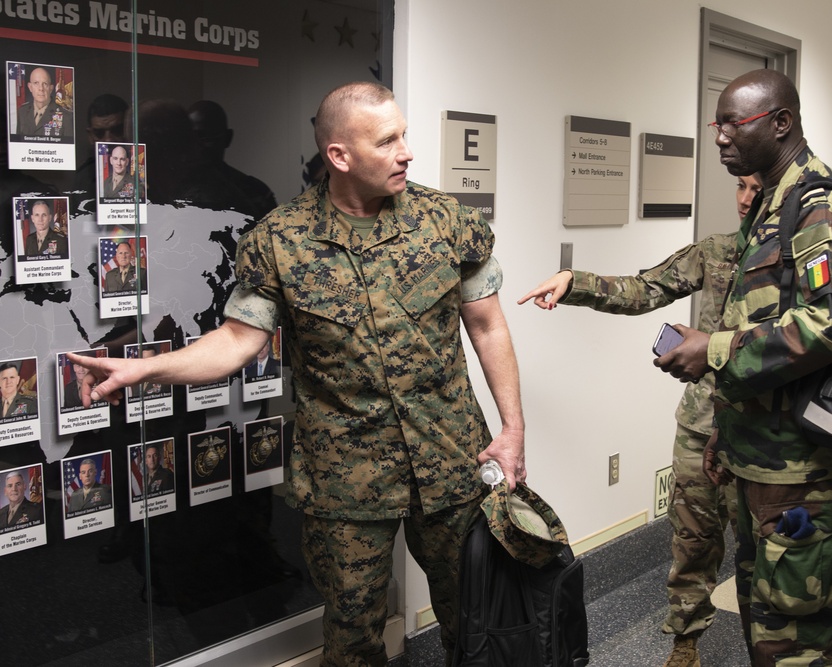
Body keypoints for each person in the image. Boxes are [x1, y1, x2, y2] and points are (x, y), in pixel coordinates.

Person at [69, 80, 526, 666]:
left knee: (476, 615)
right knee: (354, 633)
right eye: (388, 141)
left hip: (452, 458)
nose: (407, 151)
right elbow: (235, 341)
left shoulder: (449, 224)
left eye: (404, 135)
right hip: (345, 479)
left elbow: (488, 328)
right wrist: (143, 370)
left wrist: (511, 431)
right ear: (340, 155)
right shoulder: (279, 242)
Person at [649, 69, 832, 666]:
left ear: (780, 123)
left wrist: (711, 350)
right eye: (715, 124)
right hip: (761, 455)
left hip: (801, 467)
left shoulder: (817, 207)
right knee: (763, 625)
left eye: (731, 124)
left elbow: (827, 326)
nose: (719, 137)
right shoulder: (773, 205)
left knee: (792, 638)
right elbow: (768, 321)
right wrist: (727, 425)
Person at [519, 174, 760, 667]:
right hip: (701, 424)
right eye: (739, 186)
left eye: (757, 188)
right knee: (692, 538)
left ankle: (767, 647)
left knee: (761, 551)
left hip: (762, 431)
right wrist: (575, 283)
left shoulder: (798, 260)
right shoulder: (715, 251)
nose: (745, 198)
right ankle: (685, 643)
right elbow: (646, 287)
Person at [187, 99, 278, 220]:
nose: (197, 146)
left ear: (227, 138)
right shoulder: (168, 192)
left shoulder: (255, 192)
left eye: (205, 137)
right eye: (190, 138)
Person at [15, 65, 73, 139]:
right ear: (30, 87)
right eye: (36, 83)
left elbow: (68, 148)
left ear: (51, 88)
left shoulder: (66, 116)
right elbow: (18, 144)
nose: (41, 88)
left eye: (45, 84)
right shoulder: (22, 111)